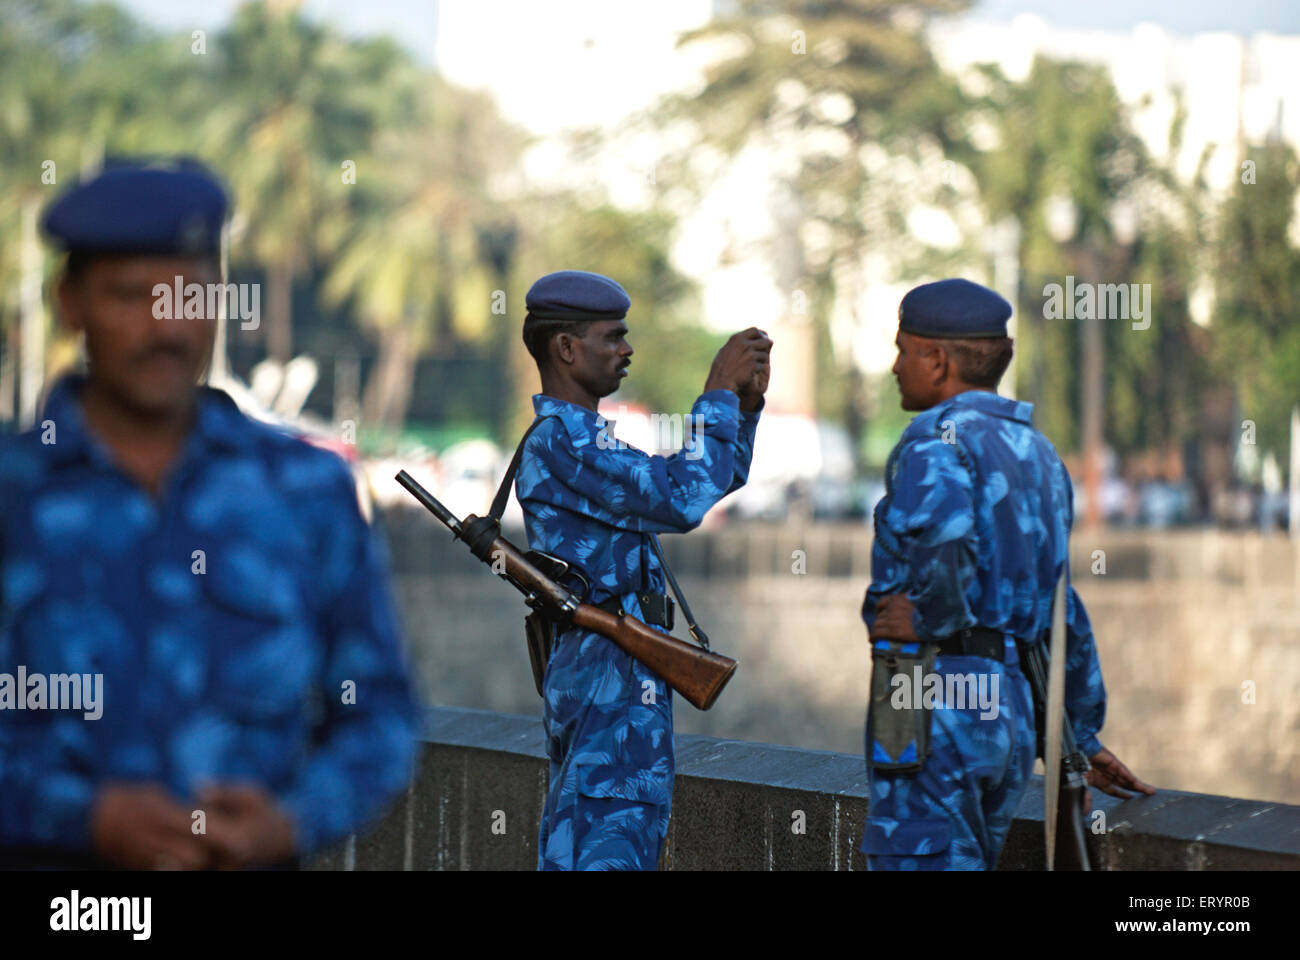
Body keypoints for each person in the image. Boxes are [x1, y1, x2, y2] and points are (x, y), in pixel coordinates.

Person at [0, 158, 418, 869]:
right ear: (71, 305)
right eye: (130, 296)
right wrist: (83, 817)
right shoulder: (17, 494)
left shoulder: (304, 491)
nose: (163, 328)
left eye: (186, 297)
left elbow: (380, 714)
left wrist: (289, 821)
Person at [861, 277, 1154, 871]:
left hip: (932, 691)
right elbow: (1061, 606)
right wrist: (1078, 735)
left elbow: (947, 541)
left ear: (937, 361)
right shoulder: (1038, 453)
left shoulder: (933, 441)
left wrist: (929, 614)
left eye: (903, 351)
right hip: (1012, 705)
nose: (895, 367)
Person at [515, 270, 770, 870]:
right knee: (605, 845)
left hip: (619, 672)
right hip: (607, 676)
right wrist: (716, 390)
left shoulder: (583, 440)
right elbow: (681, 498)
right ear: (566, 347)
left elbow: (705, 482)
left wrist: (743, 407)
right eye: (612, 337)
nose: (626, 350)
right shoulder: (566, 441)